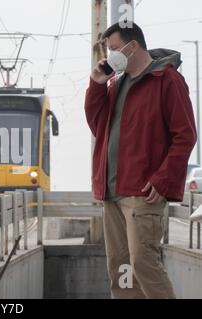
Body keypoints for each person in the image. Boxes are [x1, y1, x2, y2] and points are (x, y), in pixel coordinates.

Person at [84, 21, 197, 298]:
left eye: (113, 49)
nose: (109, 56)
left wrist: (163, 179)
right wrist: (96, 86)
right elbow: (98, 126)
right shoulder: (116, 83)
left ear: (132, 46)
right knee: (120, 269)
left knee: (143, 263)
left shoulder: (167, 80)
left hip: (142, 194)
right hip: (112, 192)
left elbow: (186, 136)